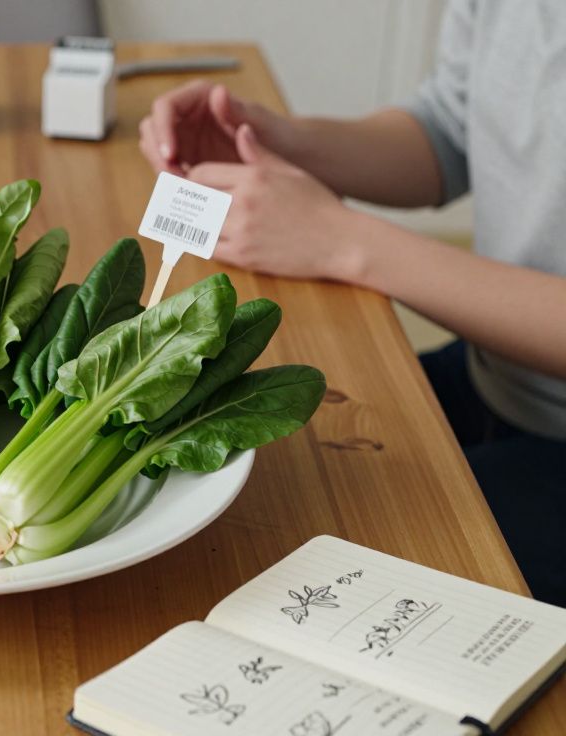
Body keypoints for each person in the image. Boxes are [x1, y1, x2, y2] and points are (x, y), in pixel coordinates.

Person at [138, 0, 565, 604]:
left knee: (291, 568)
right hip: (496, 374)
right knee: (273, 495)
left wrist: (343, 242)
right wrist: (274, 140)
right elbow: (448, 131)